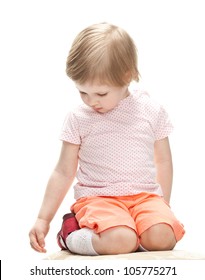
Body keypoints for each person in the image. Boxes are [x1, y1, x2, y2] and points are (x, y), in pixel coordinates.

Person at [29, 22, 185, 255]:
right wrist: (43, 218)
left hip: (145, 197)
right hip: (99, 198)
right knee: (120, 240)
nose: (91, 101)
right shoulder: (79, 118)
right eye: (82, 92)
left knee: (163, 237)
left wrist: (164, 204)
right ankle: (70, 233)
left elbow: (163, 161)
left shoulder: (151, 110)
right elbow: (63, 171)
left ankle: (133, 233)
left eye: (101, 93)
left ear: (128, 76)